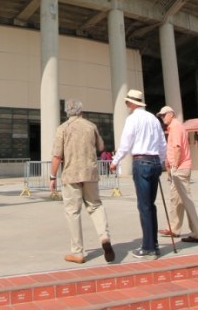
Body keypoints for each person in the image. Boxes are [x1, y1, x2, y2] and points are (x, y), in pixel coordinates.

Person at [50, 100, 115, 264]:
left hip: (71, 175)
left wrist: (52, 177)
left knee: (73, 212)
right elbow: (101, 147)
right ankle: (104, 236)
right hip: (90, 173)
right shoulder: (90, 126)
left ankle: (78, 252)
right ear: (81, 112)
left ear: (67, 113)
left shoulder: (62, 129)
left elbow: (57, 156)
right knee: (95, 205)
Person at [109, 89, 167, 260]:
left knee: (144, 206)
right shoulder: (153, 119)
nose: (127, 105)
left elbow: (125, 144)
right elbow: (162, 143)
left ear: (132, 103)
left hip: (141, 162)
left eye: (127, 102)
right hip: (155, 161)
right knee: (151, 204)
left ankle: (148, 247)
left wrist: (115, 161)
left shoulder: (132, 119)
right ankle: (153, 244)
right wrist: (162, 162)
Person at [157, 106, 198, 244]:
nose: (162, 117)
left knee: (186, 201)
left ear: (171, 114)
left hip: (179, 169)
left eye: (164, 115)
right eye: (161, 116)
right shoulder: (173, 128)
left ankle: (197, 233)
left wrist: (174, 167)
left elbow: (177, 148)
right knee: (176, 200)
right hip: (177, 169)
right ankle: (174, 228)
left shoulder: (176, 127)